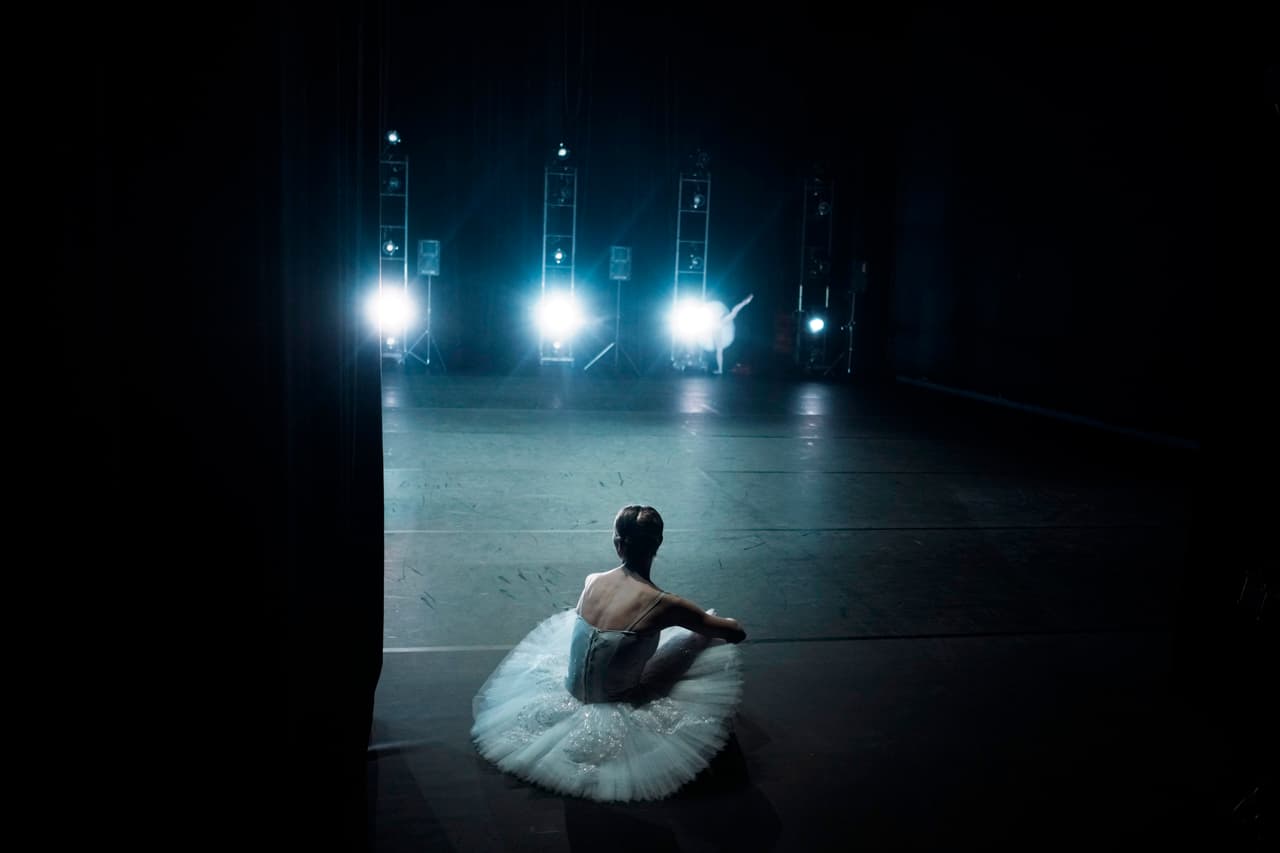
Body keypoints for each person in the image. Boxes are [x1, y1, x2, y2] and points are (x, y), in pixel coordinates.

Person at [471, 505, 748, 802]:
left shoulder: (593, 581)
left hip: (571, 691)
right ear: (658, 544)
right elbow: (734, 633)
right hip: (618, 703)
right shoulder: (665, 604)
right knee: (700, 636)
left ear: (617, 543)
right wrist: (716, 623)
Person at [699, 293, 753, 374]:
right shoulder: (713, 319)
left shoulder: (721, 321)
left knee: (719, 350)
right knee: (719, 350)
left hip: (717, 327)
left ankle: (720, 369)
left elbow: (734, 312)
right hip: (714, 328)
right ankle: (720, 369)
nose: (719, 313)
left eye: (720, 313)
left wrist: (744, 302)